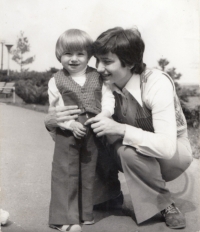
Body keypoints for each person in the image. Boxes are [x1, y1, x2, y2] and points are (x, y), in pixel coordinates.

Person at [45, 27, 193, 230]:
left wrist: (121, 129)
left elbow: (167, 147)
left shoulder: (155, 83)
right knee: (93, 136)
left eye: (107, 62)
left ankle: (164, 203)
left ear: (130, 63)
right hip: (133, 142)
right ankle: (109, 195)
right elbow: (75, 125)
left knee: (127, 152)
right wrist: (53, 121)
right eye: (98, 60)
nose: (100, 68)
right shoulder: (103, 84)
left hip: (172, 153)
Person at [47, 29, 115, 232]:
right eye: (68, 53)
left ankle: (85, 213)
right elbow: (55, 110)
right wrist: (69, 124)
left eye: (80, 54)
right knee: (65, 172)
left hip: (92, 129)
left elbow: (108, 99)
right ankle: (62, 219)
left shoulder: (97, 77)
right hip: (67, 131)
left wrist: (104, 116)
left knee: (89, 170)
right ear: (60, 55)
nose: (74, 59)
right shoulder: (56, 80)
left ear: (89, 56)